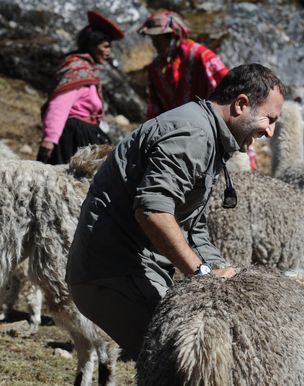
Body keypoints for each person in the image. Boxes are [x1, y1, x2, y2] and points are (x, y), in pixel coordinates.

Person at [66, 63, 285, 360]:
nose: (270, 132)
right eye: (269, 119)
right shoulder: (193, 134)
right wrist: (204, 274)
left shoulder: (208, 135)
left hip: (131, 269)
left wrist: (226, 277)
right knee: (184, 362)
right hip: (115, 272)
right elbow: (152, 212)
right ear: (241, 104)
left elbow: (192, 228)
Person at [137, 11, 260, 170]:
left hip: (211, 131)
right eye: (153, 39)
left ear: (174, 36)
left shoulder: (201, 56)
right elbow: (154, 106)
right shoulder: (156, 68)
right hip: (176, 134)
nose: (156, 44)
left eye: (159, 39)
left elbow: (231, 89)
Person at [38, 10, 124, 164]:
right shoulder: (77, 70)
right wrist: (50, 139)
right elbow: (60, 104)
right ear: (92, 45)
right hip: (73, 138)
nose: (108, 53)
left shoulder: (87, 71)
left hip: (86, 134)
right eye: (105, 47)